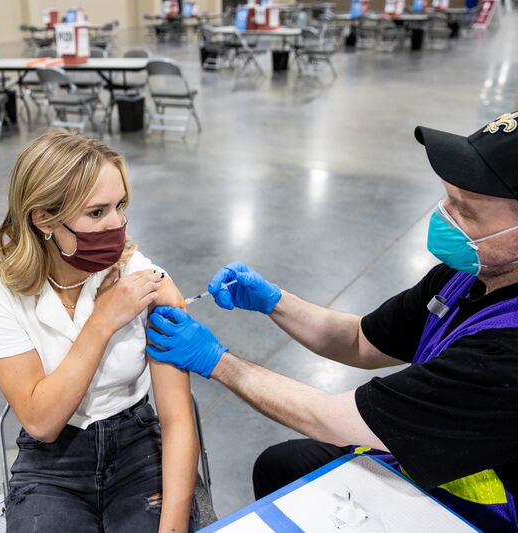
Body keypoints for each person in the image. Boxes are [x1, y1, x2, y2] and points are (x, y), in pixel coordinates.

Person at [145, 112, 518, 532]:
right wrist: (275, 301)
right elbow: (362, 339)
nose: (445, 215)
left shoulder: (508, 353)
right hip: (442, 458)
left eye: (465, 211)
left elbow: (337, 420)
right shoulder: (467, 276)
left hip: (487, 512)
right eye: (448, 198)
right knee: (283, 465)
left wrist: (218, 361)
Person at [0, 129, 198, 533]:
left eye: (120, 206)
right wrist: (103, 320)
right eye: (96, 213)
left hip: (138, 449)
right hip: (52, 464)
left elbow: (178, 420)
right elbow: (42, 422)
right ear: (44, 219)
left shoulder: (141, 277)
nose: (118, 225)